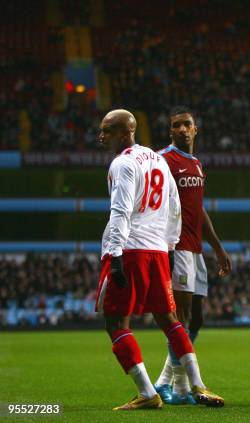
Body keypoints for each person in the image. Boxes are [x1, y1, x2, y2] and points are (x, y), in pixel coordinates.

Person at [95, 109, 223, 410]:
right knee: (170, 319)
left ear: (126, 131)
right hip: (158, 252)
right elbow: (175, 207)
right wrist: (168, 247)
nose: (101, 136)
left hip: (130, 250)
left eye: (106, 130)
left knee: (116, 322)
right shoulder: (158, 161)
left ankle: (147, 392)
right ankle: (198, 385)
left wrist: (114, 255)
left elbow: (121, 210)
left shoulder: (122, 163)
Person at [154, 106, 231, 404]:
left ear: (196, 128)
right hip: (176, 247)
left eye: (187, 124)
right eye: (177, 125)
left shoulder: (196, 164)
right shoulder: (163, 160)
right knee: (182, 318)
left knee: (196, 319)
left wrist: (218, 247)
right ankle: (183, 389)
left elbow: (197, 210)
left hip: (196, 249)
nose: (183, 129)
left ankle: (164, 381)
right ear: (170, 130)